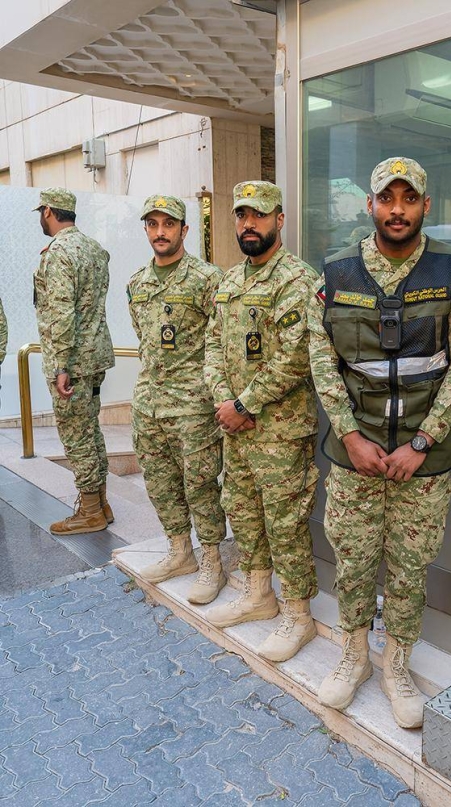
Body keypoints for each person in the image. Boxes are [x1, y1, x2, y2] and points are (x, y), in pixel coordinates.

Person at [310, 157, 451, 728]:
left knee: (411, 567)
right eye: (386, 199)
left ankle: (397, 664)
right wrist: (349, 436)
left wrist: (422, 442)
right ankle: (353, 655)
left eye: (408, 199)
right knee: (354, 559)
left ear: (425, 205)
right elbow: (322, 361)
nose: (397, 210)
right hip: (355, 454)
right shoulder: (337, 274)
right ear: (370, 205)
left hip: (424, 457)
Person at [204, 181, 319, 663]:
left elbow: (297, 358)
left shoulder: (297, 280)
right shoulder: (230, 281)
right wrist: (224, 401)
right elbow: (211, 345)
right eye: (242, 215)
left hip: (280, 432)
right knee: (243, 510)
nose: (249, 224)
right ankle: (257, 594)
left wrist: (244, 405)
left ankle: (298, 615)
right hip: (236, 427)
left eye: (259, 214)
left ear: (280, 220)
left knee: (286, 523)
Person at [127, 195, 227, 604]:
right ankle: (180, 551)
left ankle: (212, 562)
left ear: (185, 230)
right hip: (148, 403)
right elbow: (144, 338)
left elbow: (221, 341)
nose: (160, 232)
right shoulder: (137, 283)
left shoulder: (207, 279)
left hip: (193, 406)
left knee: (201, 486)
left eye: (168, 224)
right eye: (152, 224)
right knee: (160, 482)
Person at [33, 188, 116, 535]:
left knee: (76, 434)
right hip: (94, 357)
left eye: (41, 212)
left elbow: (62, 313)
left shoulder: (58, 253)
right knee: (90, 430)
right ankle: (101, 502)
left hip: (73, 362)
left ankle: (91, 511)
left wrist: (60, 367)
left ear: (48, 211)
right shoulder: (94, 249)